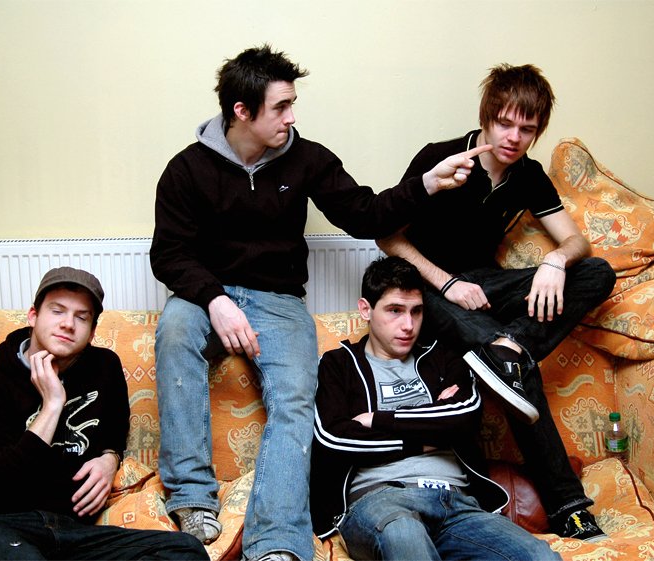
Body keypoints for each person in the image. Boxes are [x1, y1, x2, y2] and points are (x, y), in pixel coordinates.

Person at [150, 44, 492, 561]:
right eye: (281, 107)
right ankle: (193, 499)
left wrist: (427, 184)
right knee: (175, 331)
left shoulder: (308, 158)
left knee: (296, 397)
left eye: (292, 104)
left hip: (278, 299)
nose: (292, 116)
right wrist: (215, 300)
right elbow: (169, 254)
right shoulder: (187, 169)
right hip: (206, 294)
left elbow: (365, 215)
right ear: (242, 111)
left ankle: (276, 542)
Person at [378, 63, 616, 540]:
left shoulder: (527, 175)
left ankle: (511, 347)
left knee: (597, 272)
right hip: (427, 287)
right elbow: (387, 237)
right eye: (505, 124)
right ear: (486, 118)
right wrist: (446, 283)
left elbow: (577, 242)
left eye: (526, 129)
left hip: (486, 285)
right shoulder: (442, 156)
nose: (513, 137)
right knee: (519, 373)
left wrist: (555, 262)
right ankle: (569, 507)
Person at [0, 267, 208, 561]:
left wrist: (110, 459)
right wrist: (52, 405)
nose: (68, 324)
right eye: (57, 311)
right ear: (33, 316)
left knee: (184, 550)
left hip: (68, 531)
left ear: (92, 332)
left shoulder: (104, 368)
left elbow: (114, 430)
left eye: (81, 317)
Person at [310, 256, 560, 560]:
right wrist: (428, 434)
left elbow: (464, 417)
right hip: (381, 501)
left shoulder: (443, 357)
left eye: (416, 311)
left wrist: (376, 419)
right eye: (395, 311)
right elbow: (335, 439)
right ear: (366, 309)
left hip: (457, 504)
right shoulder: (338, 364)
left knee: (539, 556)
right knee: (405, 535)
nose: (408, 325)